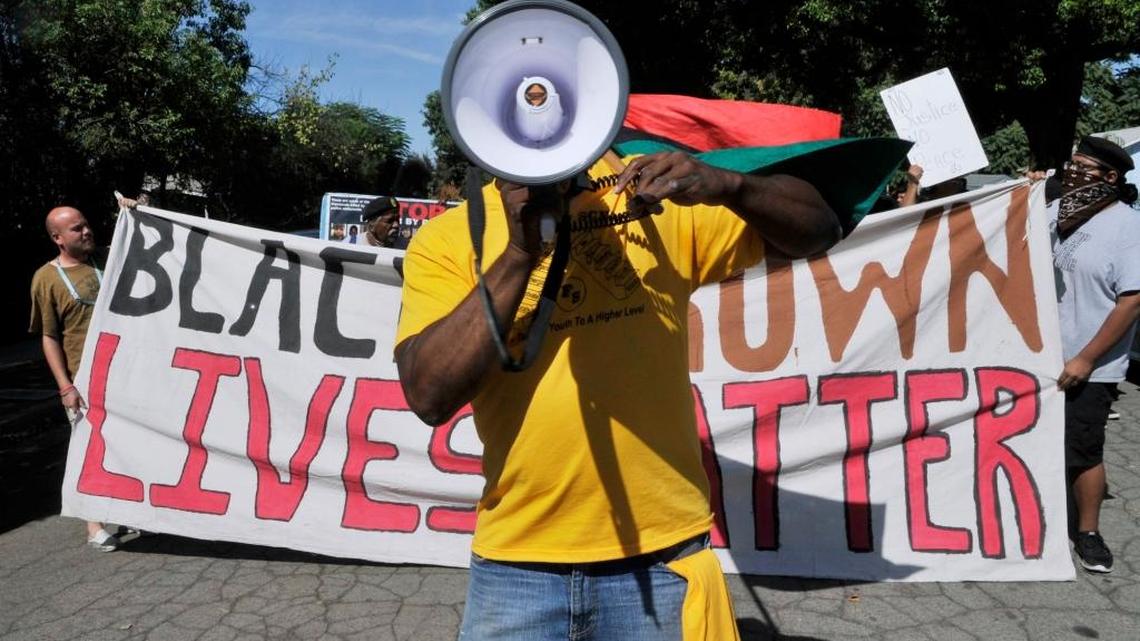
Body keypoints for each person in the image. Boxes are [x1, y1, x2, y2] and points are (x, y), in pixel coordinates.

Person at [395, 151, 840, 639]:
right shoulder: (449, 238)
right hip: (518, 567)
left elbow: (819, 229)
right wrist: (520, 252)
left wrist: (731, 186)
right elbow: (429, 394)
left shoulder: (654, 201)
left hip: (662, 557)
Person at [1050, 136, 1140, 574]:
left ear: (1110, 178)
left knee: (1082, 451)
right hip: (1043, 357)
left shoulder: (1128, 227)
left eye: (1084, 168)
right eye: (1072, 165)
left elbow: (1132, 300)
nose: (1073, 174)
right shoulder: (1059, 212)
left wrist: (1086, 358)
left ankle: (1088, 532)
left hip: (1090, 366)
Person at [28, 206, 121, 552]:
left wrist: (135, 210)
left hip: (120, 373)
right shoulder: (46, 279)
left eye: (86, 224)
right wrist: (65, 386)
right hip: (83, 379)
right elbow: (49, 337)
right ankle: (94, 525)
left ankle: (131, 509)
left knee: (126, 442)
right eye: (76, 228)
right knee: (90, 450)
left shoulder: (106, 259)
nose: (86, 231)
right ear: (58, 238)